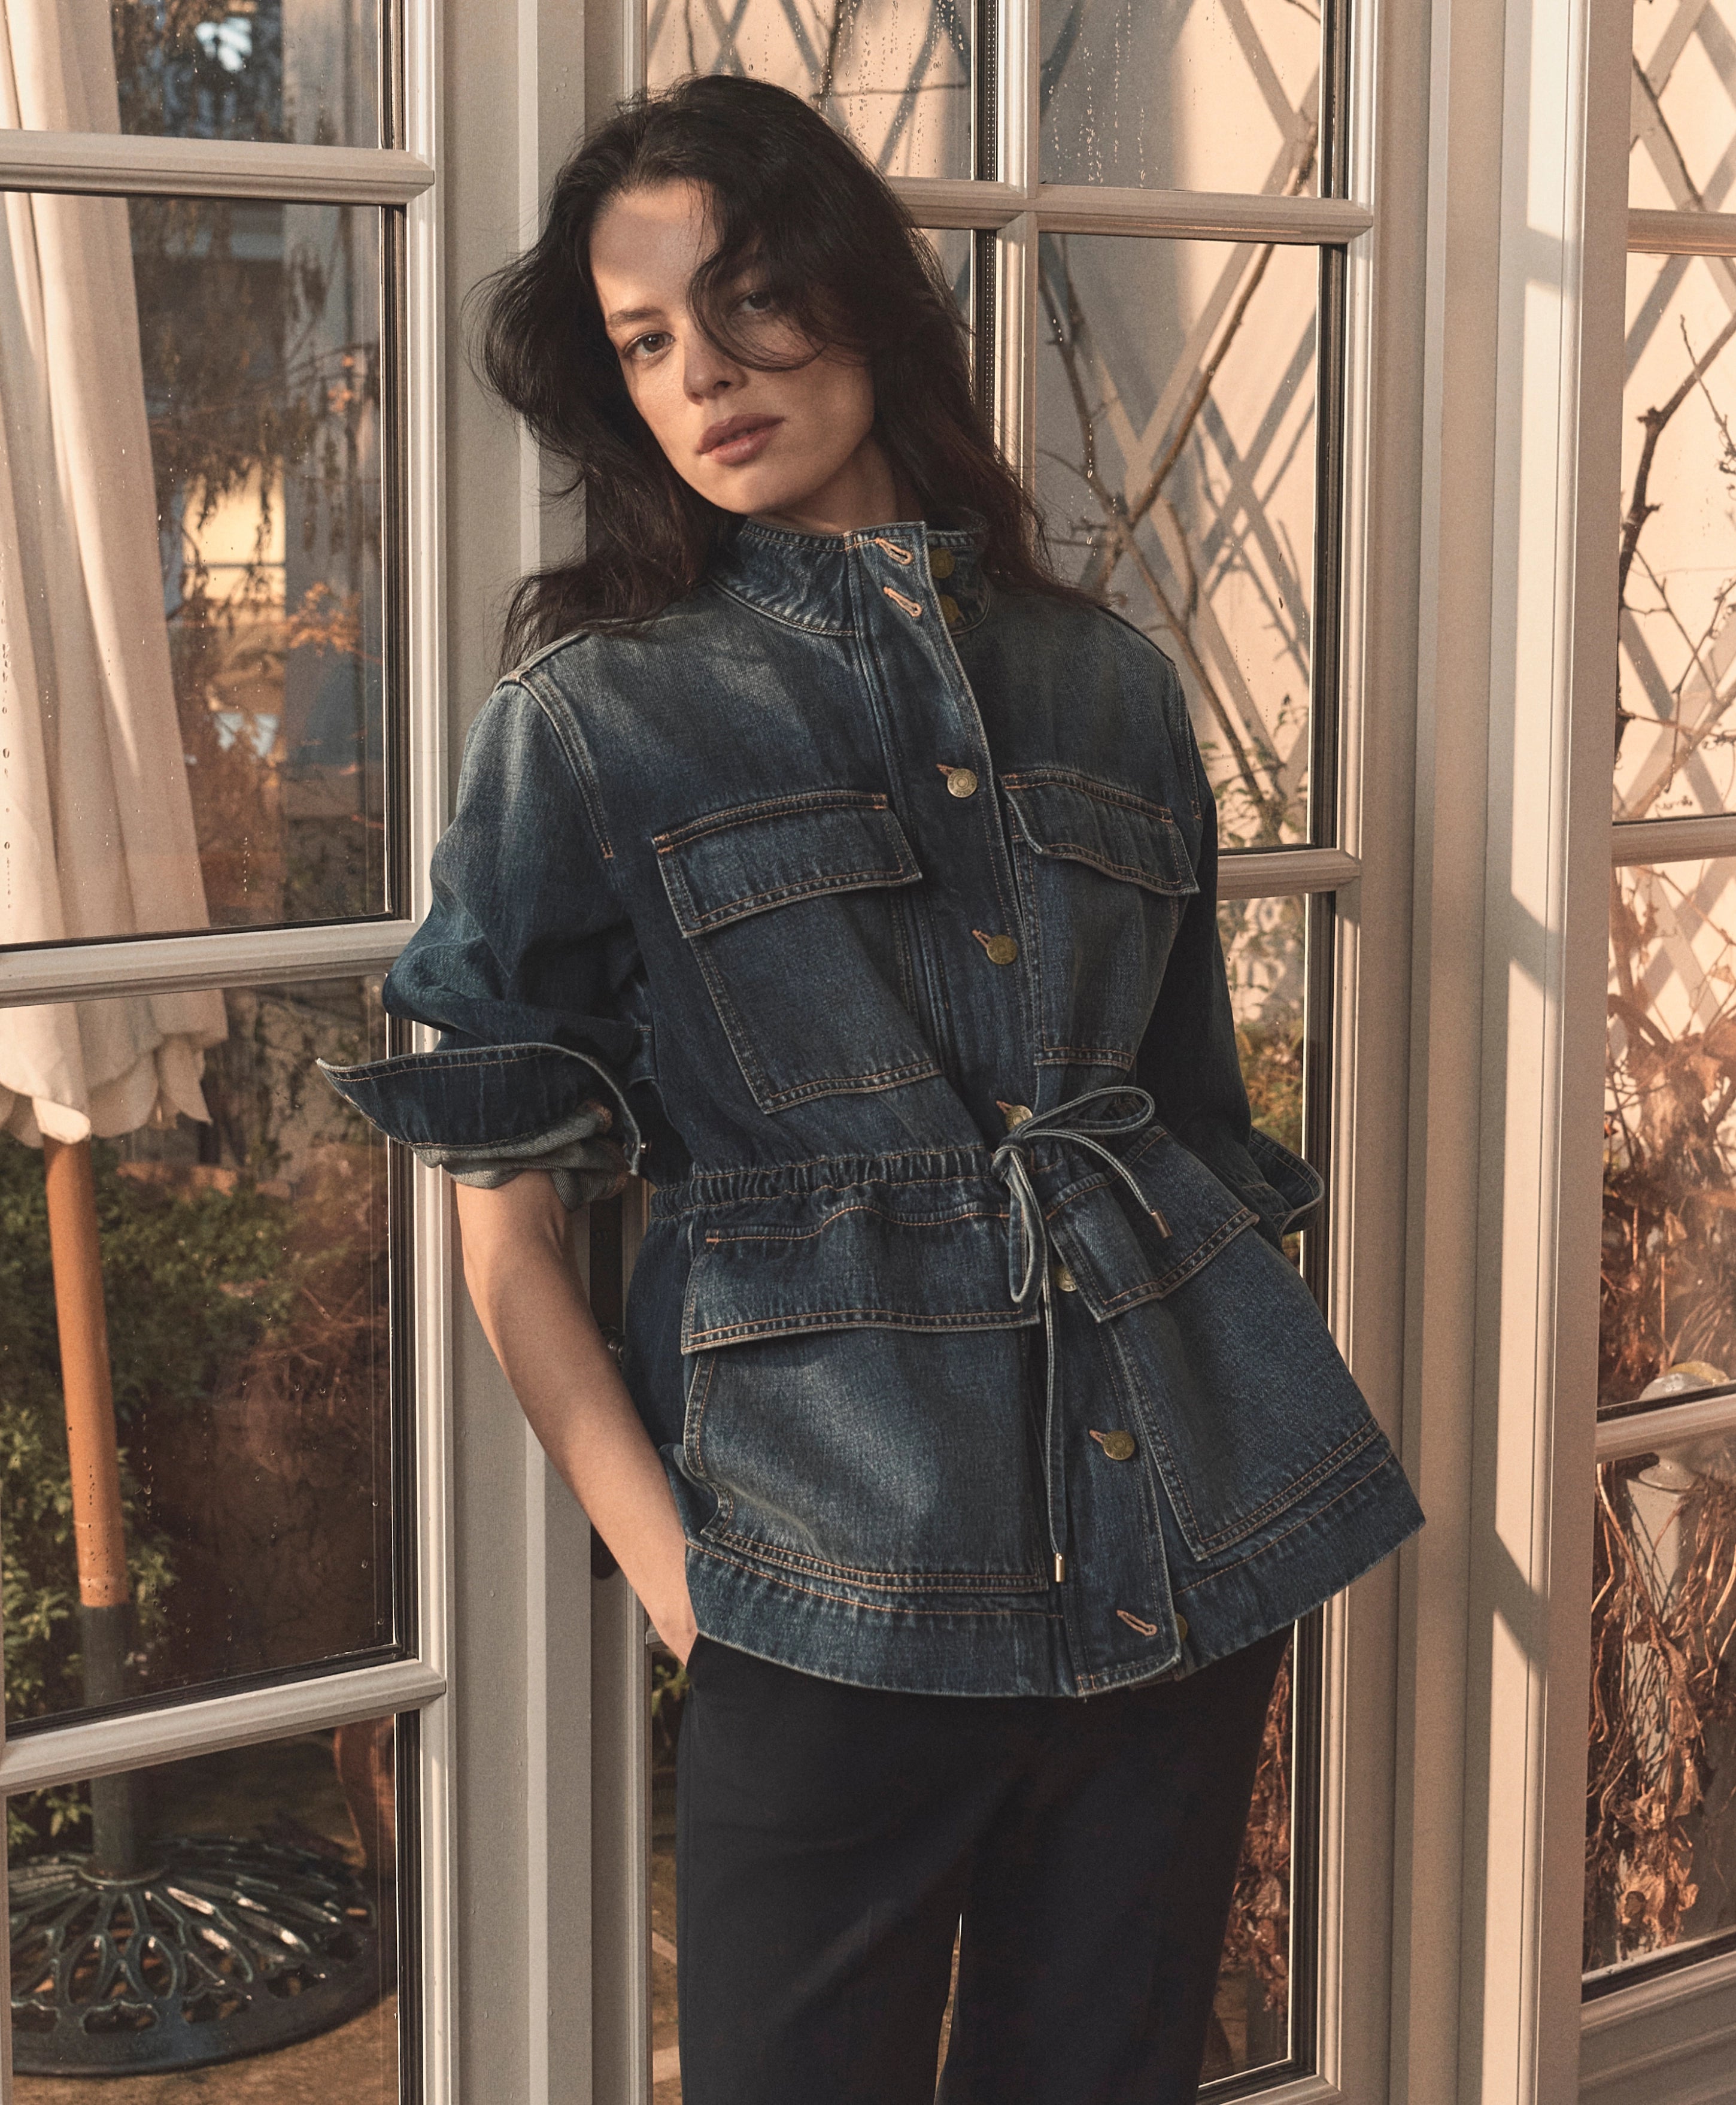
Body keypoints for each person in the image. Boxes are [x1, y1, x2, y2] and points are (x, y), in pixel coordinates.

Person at [322, 72, 1424, 2105]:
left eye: (744, 301)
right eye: (645, 344)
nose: (704, 376)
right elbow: (504, 1225)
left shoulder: (1108, 681)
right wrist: (687, 1588)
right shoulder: (591, 719)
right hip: (822, 1598)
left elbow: (1181, 1123)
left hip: (1171, 1564)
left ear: (863, 294)